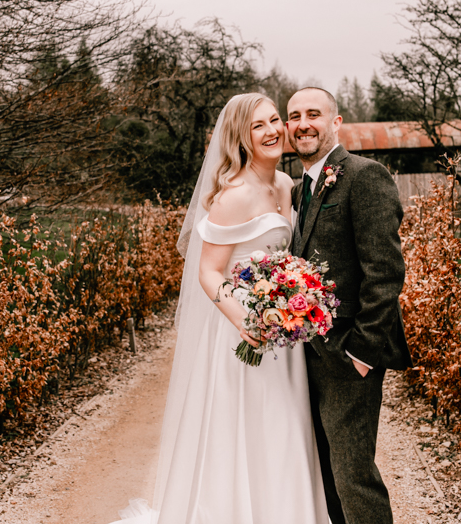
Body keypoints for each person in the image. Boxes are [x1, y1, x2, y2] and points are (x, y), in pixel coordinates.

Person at [111, 93, 328, 524]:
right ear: (241, 138)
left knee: (284, 427)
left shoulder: (286, 186)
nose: (271, 132)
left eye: (273, 121)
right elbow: (208, 271)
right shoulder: (234, 195)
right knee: (243, 429)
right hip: (243, 330)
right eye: (257, 126)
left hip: (283, 332)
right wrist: (246, 321)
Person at [286, 87, 413, 524]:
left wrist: (362, 351)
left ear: (336, 122)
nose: (302, 123)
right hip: (306, 351)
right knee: (323, 472)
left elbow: (386, 271)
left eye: (313, 114)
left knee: (353, 475)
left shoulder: (365, 175)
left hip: (348, 352)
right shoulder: (298, 189)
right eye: (294, 115)